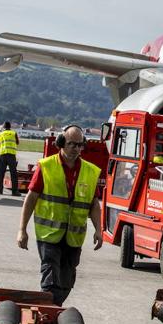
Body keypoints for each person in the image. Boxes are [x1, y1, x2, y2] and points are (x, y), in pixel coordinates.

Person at [16, 125, 102, 306]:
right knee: (51, 279)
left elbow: (94, 204)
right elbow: (31, 199)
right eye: (72, 144)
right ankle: (47, 312)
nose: (76, 149)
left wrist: (98, 230)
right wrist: (22, 230)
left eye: (79, 145)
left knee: (66, 282)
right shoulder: (46, 166)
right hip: (49, 234)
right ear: (61, 143)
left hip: (74, 237)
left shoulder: (90, 171)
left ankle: (52, 309)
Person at [0, 121, 20, 195]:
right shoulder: (14, 133)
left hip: (3, 155)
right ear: (10, 127)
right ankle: (14, 191)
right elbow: (17, 142)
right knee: (13, 173)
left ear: (3, 127)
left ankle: (0, 190)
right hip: (11, 155)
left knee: (1, 173)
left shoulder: (0, 134)